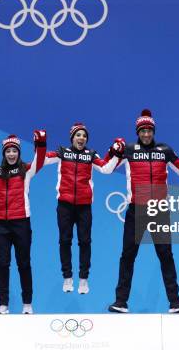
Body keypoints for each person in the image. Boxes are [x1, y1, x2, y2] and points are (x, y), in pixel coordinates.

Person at [108, 109, 179, 314]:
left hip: (159, 209)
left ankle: (175, 302)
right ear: (138, 132)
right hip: (136, 209)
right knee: (128, 255)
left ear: (153, 131)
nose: (146, 134)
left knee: (165, 254)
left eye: (149, 130)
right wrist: (113, 150)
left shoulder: (164, 150)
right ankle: (120, 301)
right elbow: (108, 167)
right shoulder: (129, 150)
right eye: (143, 131)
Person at [44, 123, 122, 294]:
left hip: (84, 206)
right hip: (64, 205)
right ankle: (67, 278)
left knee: (85, 242)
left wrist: (116, 154)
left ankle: (83, 280)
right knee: (65, 241)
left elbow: (106, 169)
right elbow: (41, 160)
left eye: (84, 136)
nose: (82, 138)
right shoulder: (62, 153)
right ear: (72, 137)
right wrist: (40, 145)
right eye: (78, 135)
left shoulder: (91, 155)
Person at [0, 131, 47, 314]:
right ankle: (3, 304)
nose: (11, 154)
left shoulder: (26, 169)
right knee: (2, 264)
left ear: (18, 152)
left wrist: (40, 143)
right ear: (3, 153)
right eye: (8, 151)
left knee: (23, 263)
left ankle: (27, 304)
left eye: (14, 150)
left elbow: (39, 161)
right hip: (1, 225)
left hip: (21, 223)